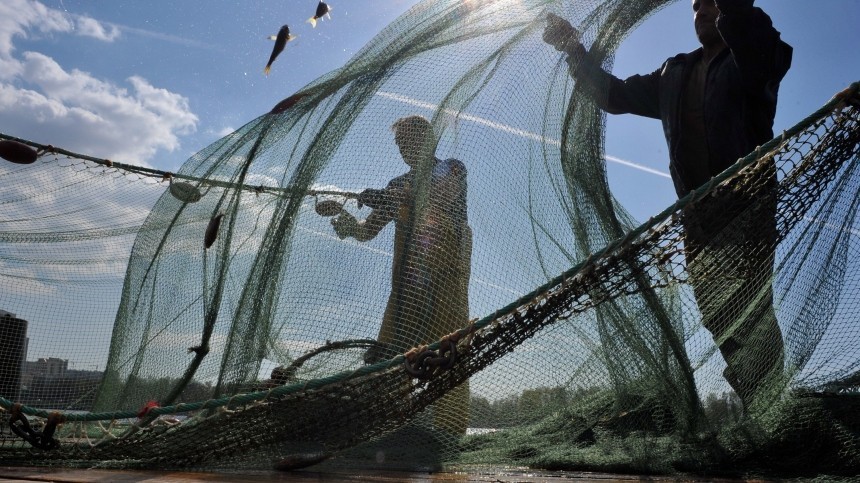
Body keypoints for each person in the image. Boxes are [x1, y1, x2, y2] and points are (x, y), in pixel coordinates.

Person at [543, 0, 792, 408]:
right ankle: (755, 400)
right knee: (718, 314)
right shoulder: (673, 72)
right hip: (697, 217)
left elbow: (757, 45)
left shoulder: (756, 48)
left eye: (713, 2)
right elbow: (615, 96)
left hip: (748, 203)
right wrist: (575, 51)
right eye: (696, 6)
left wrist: (735, 9)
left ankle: (771, 404)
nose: (703, 10)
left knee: (751, 309)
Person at [330, 114, 472, 435]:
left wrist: (388, 198)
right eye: (399, 143)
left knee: (450, 351)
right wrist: (350, 226)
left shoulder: (452, 168)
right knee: (393, 354)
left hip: (447, 279)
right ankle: (387, 428)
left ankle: (449, 433)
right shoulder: (396, 184)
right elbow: (368, 230)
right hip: (407, 286)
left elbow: (436, 199)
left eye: (410, 140)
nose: (403, 148)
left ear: (429, 140)